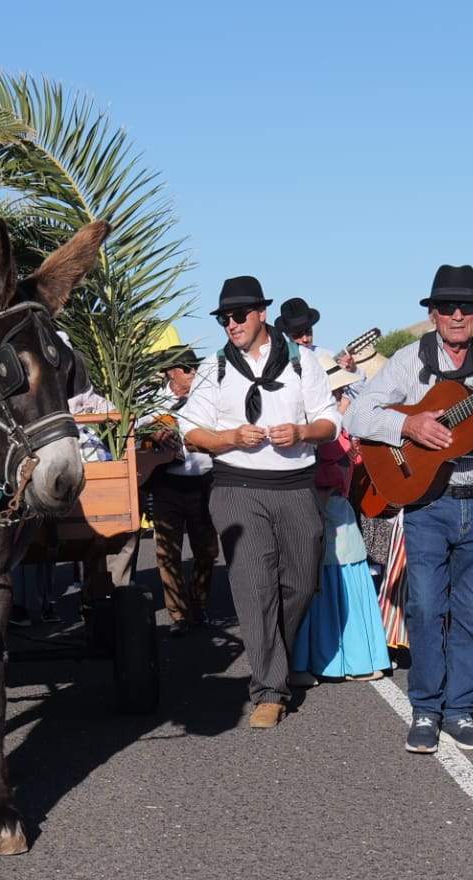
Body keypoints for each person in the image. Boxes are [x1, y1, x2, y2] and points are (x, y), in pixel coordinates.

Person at [344, 265, 473, 754]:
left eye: (466, 308)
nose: (457, 315)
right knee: (427, 609)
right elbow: (356, 414)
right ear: (432, 314)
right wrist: (407, 429)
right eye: (447, 307)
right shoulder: (408, 362)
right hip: (429, 504)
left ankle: (461, 711)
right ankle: (426, 709)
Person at [181, 276, 339, 730]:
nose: (230, 324)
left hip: (295, 487)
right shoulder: (216, 368)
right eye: (223, 318)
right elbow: (189, 429)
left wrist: (302, 431)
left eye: (238, 316)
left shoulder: (300, 361)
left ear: (261, 314)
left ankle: (278, 658)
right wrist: (230, 437)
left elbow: (329, 420)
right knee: (254, 588)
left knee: (301, 584)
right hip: (236, 488)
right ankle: (270, 690)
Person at [293, 374, 391, 682]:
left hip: (337, 510)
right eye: (334, 391)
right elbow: (321, 478)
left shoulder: (333, 429)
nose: (338, 396)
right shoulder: (323, 434)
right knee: (335, 580)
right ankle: (339, 660)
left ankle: (329, 660)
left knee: (338, 579)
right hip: (329, 513)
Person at [145, 346, 219, 635]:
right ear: (171, 372)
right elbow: (135, 430)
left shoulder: (208, 398)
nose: (193, 373)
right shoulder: (153, 403)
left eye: (194, 367)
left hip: (203, 481)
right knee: (167, 552)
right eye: (187, 369)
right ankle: (178, 614)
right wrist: (152, 433)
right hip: (167, 484)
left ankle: (199, 605)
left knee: (206, 550)